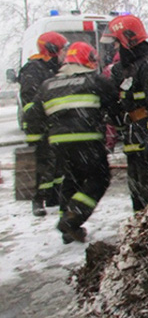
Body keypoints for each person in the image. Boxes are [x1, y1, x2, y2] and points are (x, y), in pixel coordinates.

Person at [24, 42, 120, 244]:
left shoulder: (48, 85)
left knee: (71, 179)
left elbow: (32, 116)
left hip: (58, 144)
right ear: (89, 61)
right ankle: (73, 216)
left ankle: (68, 227)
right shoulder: (95, 81)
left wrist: (40, 139)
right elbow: (115, 107)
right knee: (99, 178)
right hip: (87, 140)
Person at [100, 14, 148, 212]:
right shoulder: (121, 69)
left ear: (128, 40)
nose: (115, 48)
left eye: (116, 42)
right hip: (132, 137)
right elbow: (117, 102)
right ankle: (141, 225)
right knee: (137, 191)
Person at [19, 31, 69, 217]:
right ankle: (37, 200)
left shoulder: (54, 68)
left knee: (58, 161)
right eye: (63, 49)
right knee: (41, 164)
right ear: (52, 49)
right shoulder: (34, 69)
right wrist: (42, 118)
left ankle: (54, 196)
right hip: (38, 126)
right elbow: (30, 100)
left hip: (53, 123)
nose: (65, 53)